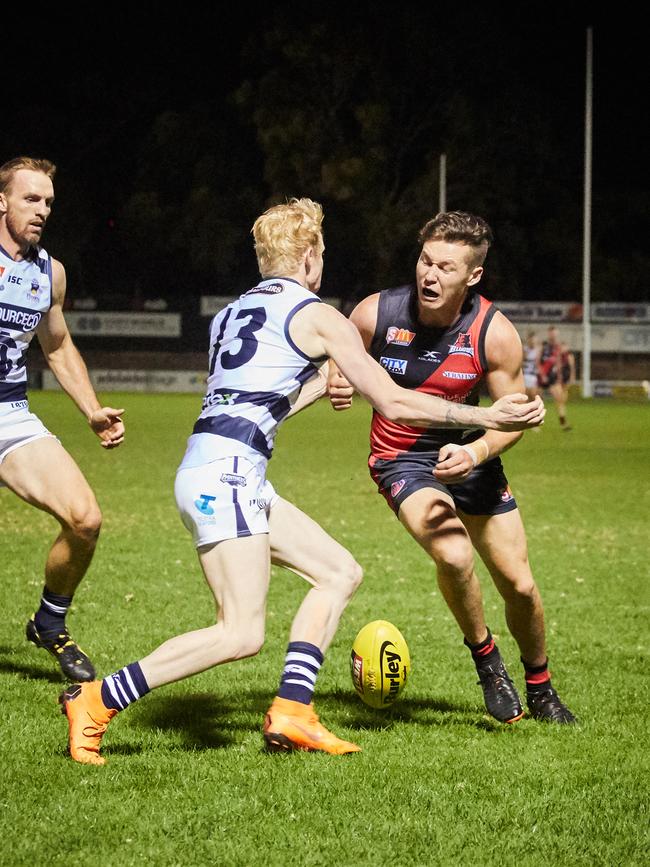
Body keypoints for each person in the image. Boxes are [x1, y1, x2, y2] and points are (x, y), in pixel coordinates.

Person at [59, 198, 545, 765]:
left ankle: (293, 709)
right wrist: (487, 417)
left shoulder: (231, 313)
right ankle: (96, 700)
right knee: (240, 633)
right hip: (230, 476)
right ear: (311, 257)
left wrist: (326, 387)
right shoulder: (318, 314)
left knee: (339, 572)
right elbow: (391, 399)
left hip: (217, 466)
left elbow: (265, 392)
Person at [328, 211, 575, 725]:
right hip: (401, 459)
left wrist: (477, 453)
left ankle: (542, 688)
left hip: (473, 456)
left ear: (474, 275)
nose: (429, 275)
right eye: (424, 260)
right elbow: (335, 346)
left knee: (522, 587)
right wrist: (335, 376)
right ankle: (488, 663)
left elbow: (509, 421)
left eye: (445, 266)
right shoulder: (377, 313)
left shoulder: (494, 333)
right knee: (455, 554)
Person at [0, 157, 125, 681]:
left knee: (85, 519)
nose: (42, 210)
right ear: (1, 200)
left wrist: (91, 409)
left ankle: (49, 624)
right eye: (31, 199)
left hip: (10, 413)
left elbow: (57, 344)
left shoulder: (49, 273)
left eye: (48, 202)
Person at [539, 327, 575, 430]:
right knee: (538, 401)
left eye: (555, 334)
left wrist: (559, 377)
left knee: (559, 399)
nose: (554, 336)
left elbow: (558, 363)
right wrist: (542, 375)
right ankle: (535, 422)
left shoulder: (557, 347)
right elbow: (538, 361)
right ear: (549, 334)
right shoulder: (544, 346)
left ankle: (563, 422)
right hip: (542, 377)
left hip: (553, 377)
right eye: (552, 334)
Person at [522, 331, 541, 401]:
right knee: (525, 396)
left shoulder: (538, 350)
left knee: (533, 396)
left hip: (534, 375)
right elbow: (521, 362)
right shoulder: (525, 349)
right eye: (531, 340)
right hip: (526, 374)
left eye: (534, 340)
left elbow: (539, 363)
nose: (533, 342)